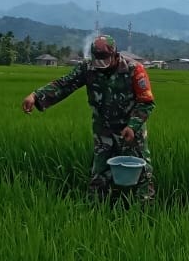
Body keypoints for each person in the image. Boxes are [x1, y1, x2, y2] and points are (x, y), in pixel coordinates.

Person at [22, 34, 156, 201]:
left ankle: (143, 211)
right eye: (97, 61)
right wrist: (35, 96)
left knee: (142, 172)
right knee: (99, 173)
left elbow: (146, 102)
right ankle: (98, 212)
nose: (101, 66)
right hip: (103, 129)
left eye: (105, 61)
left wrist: (133, 126)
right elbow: (65, 84)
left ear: (115, 55)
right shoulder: (88, 68)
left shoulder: (134, 69)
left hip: (130, 129)